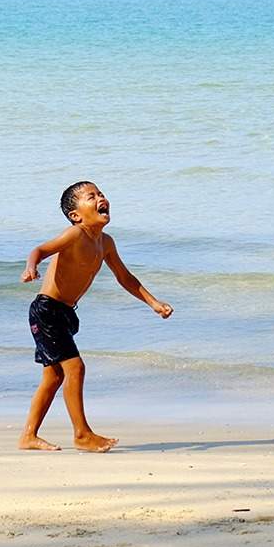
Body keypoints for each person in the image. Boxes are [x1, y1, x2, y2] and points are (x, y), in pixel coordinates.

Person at [18, 181, 173, 452]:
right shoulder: (74, 234)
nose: (101, 198)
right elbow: (39, 250)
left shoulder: (106, 243)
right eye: (91, 196)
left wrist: (153, 302)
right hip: (47, 310)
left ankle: (28, 436)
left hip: (64, 313)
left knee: (54, 377)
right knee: (75, 368)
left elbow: (125, 277)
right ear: (76, 215)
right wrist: (31, 268)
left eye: (101, 194)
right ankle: (82, 434)